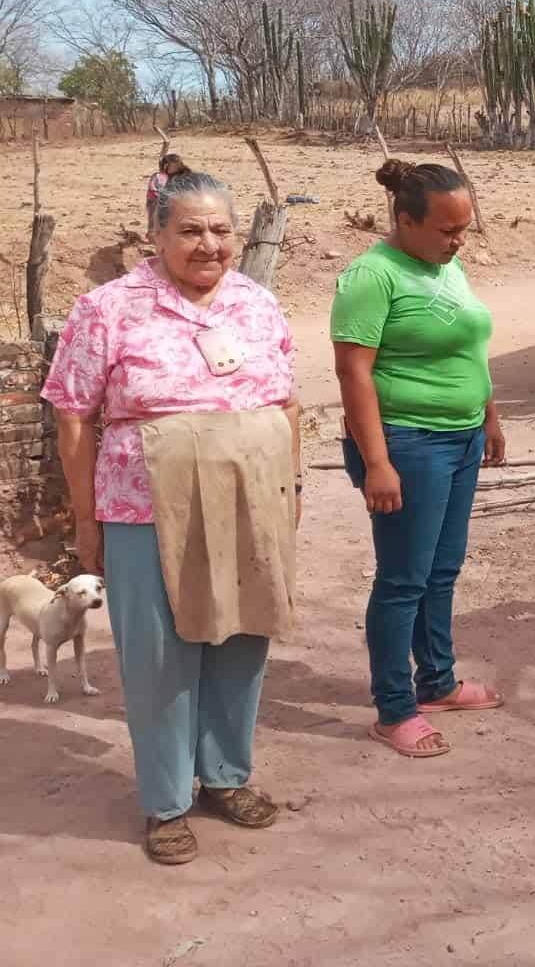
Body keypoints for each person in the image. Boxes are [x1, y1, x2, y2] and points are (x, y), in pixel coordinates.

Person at [44, 171, 301, 867]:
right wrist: (89, 520)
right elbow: (73, 413)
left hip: (251, 502)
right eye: (190, 229)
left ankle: (224, 775)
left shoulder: (256, 302)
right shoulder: (108, 308)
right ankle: (165, 802)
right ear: (156, 234)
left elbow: (286, 403)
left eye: (222, 230)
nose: (209, 244)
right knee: (159, 657)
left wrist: (289, 492)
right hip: (141, 507)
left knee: (243, 637)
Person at [332, 158, 507, 760]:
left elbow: (471, 345)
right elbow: (353, 371)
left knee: (442, 570)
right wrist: (377, 462)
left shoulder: (446, 266)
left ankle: (437, 682)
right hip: (408, 444)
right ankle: (394, 707)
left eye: (464, 229)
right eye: (447, 231)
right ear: (405, 221)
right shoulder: (371, 275)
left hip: (459, 440)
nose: (458, 242)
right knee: (403, 579)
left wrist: (488, 414)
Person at [146, 153, 192, 237]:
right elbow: (154, 188)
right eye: (166, 164)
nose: (167, 167)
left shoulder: (182, 175)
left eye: (170, 165)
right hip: (159, 201)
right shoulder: (161, 176)